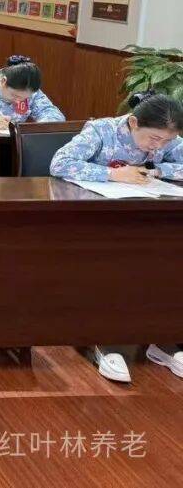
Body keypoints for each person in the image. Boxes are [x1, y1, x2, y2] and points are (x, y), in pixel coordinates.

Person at [50, 92, 183, 384]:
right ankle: (105, 340)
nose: (158, 146)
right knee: (117, 262)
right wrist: (113, 175)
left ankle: (165, 338)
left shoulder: (166, 139)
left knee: (171, 258)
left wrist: (158, 168)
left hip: (148, 218)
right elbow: (59, 163)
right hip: (96, 221)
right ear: (134, 123)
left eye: (167, 141)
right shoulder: (101, 131)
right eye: (154, 139)